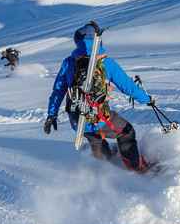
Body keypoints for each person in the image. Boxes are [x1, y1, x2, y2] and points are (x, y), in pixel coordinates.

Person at [44, 23, 156, 172]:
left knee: (95, 138)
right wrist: (147, 99)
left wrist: (52, 114)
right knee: (126, 132)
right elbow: (128, 87)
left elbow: (58, 90)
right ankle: (136, 167)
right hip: (100, 117)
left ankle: (105, 160)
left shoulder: (69, 62)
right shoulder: (106, 62)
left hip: (77, 118)